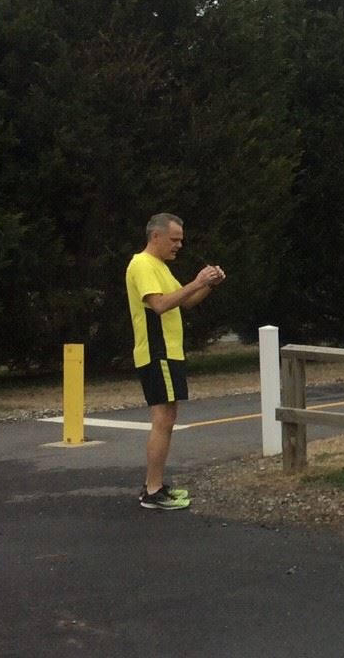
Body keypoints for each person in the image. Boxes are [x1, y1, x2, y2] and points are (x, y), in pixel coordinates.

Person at [125, 213, 226, 510]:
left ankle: (153, 485)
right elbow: (159, 305)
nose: (179, 245)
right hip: (158, 352)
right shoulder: (142, 264)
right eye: (174, 239)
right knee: (163, 419)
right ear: (155, 237)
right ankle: (153, 491)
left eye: (181, 239)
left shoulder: (160, 267)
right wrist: (197, 280)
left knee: (167, 419)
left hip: (169, 353)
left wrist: (208, 284)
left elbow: (185, 301)